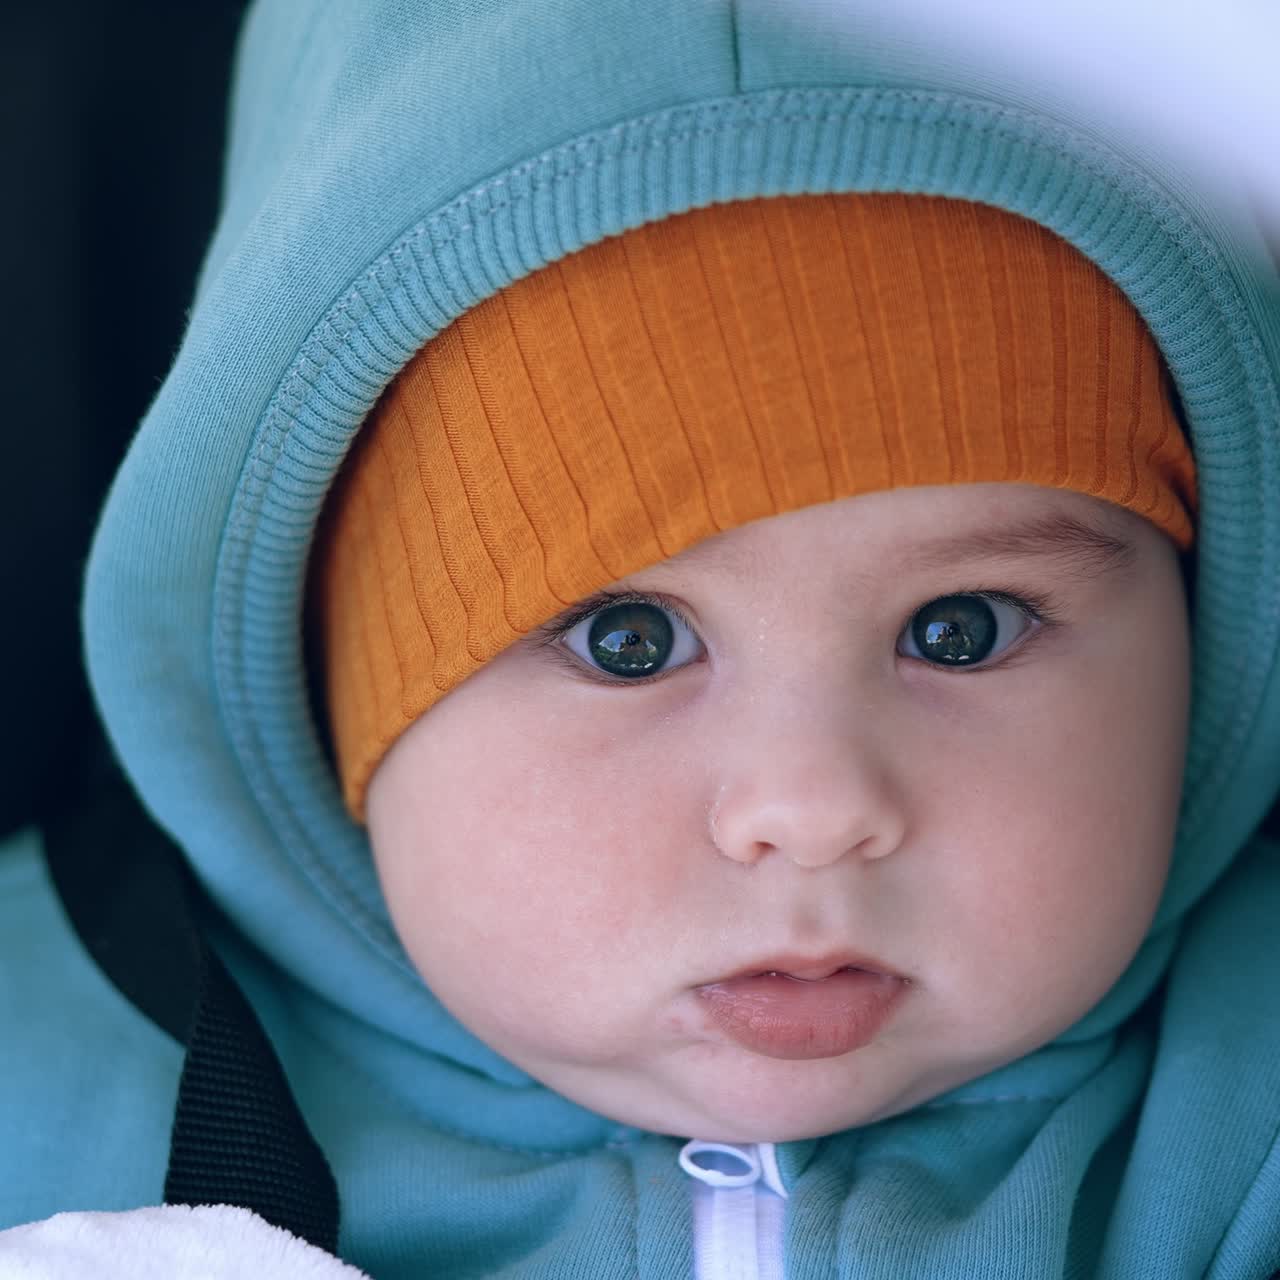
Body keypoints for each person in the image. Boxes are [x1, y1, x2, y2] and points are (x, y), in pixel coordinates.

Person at [2, 1, 1278, 1277]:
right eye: (628, 640)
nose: (810, 805)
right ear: (334, 695)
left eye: (959, 629)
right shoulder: (44, 1092)